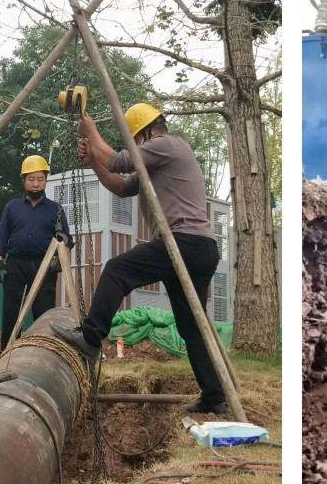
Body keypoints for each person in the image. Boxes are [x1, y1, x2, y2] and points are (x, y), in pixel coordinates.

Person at [50, 104, 226, 415]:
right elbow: (120, 185)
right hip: (199, 248)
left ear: (144, 133)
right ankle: (215, 396)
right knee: (191, 327)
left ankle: (91, 337)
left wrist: (91, 133)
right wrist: (93, 160)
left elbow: (119, 161)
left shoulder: (166, 145)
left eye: (135, 139)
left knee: (117, 270)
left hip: (182, 242)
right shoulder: (155, 164)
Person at [0, 155, 72, 351]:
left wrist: (60, 259)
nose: (36, 184)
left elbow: (67, 239)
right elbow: (2, 235)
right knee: (11, 314)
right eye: (31, 179)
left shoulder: (56, 210)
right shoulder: (12, 207)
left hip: (43, 267)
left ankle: (42, 353)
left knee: (43, 316)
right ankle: (7, 353)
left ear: (45, 180)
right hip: (16, 266)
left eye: (40, 179)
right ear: (24, 180)